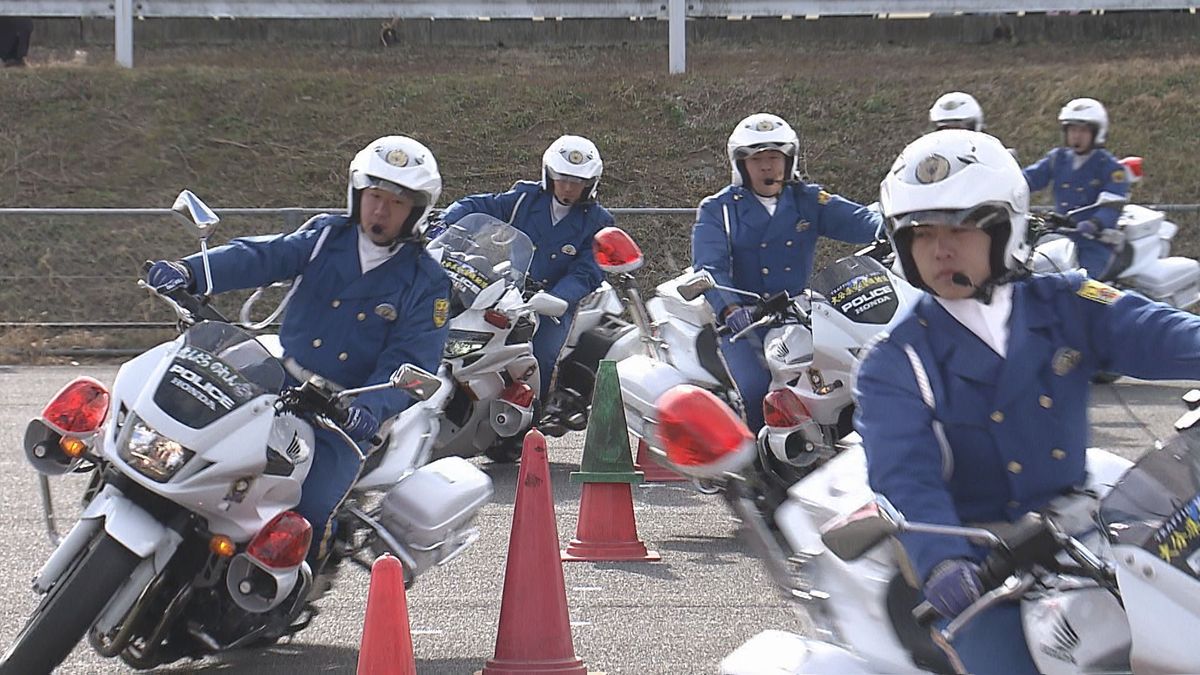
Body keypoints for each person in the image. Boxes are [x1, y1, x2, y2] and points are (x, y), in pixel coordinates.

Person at [854, 129, 1200, 674]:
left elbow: (1163, 334)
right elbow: (905, 478)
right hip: (988, 565)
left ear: (1003, 228)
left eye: (960, 227)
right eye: (921, 234)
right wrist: (945, 564)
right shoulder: (894, 362)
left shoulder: (1065, 302)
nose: (940, 248)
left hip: (1090, 529)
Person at [145, 135, 451, 576]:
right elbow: (264, 256)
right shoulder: (326, 236)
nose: (380, 211)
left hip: (342, 414)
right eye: (374, 197)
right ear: (358, 195)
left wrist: (369, 409)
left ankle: (292, 587)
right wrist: (190, 271)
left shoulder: (426, 280)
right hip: (278, 381)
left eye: (396, 203)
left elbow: (414, 358)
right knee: (194, 443)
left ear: (416, 211)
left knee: (309, 509)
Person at [692, 112, 882, 431]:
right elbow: (709, 265)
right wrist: (731, 307)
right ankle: (754, 473)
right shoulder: (719, 209)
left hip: (800, 317)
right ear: (741, 165)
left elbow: (860, 221)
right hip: (746, 324)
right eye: (758, 159)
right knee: (755, 391)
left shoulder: (807, 199)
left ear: (788, 160)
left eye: (774, 157)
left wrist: (894, 225)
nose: (767, 166)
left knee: (844, 375)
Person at [439, 134, 612, 398]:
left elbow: (588, 271)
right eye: (562, 179)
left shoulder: (599, 221)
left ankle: (532, 423)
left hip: (551, 303)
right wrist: (444, 222)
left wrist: (558, 298)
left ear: (590, 185)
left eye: (576, 183)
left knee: (539, 357)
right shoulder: (524, 198)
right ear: (549, 176)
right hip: (507, 287)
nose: (567, 188)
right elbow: (479, 205)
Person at [1023, 97, 1130, 278]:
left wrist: (1094, 223)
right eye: (1072, 129)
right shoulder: (1058, 159)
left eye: (1083, 130)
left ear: (1097, 132)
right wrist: (1007, 182)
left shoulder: (1110, 168)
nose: (1076, 136)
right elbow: (1029, 179)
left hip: (1094, 243)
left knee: (1082, 286)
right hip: (1058, 236)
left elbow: (1112, 204)